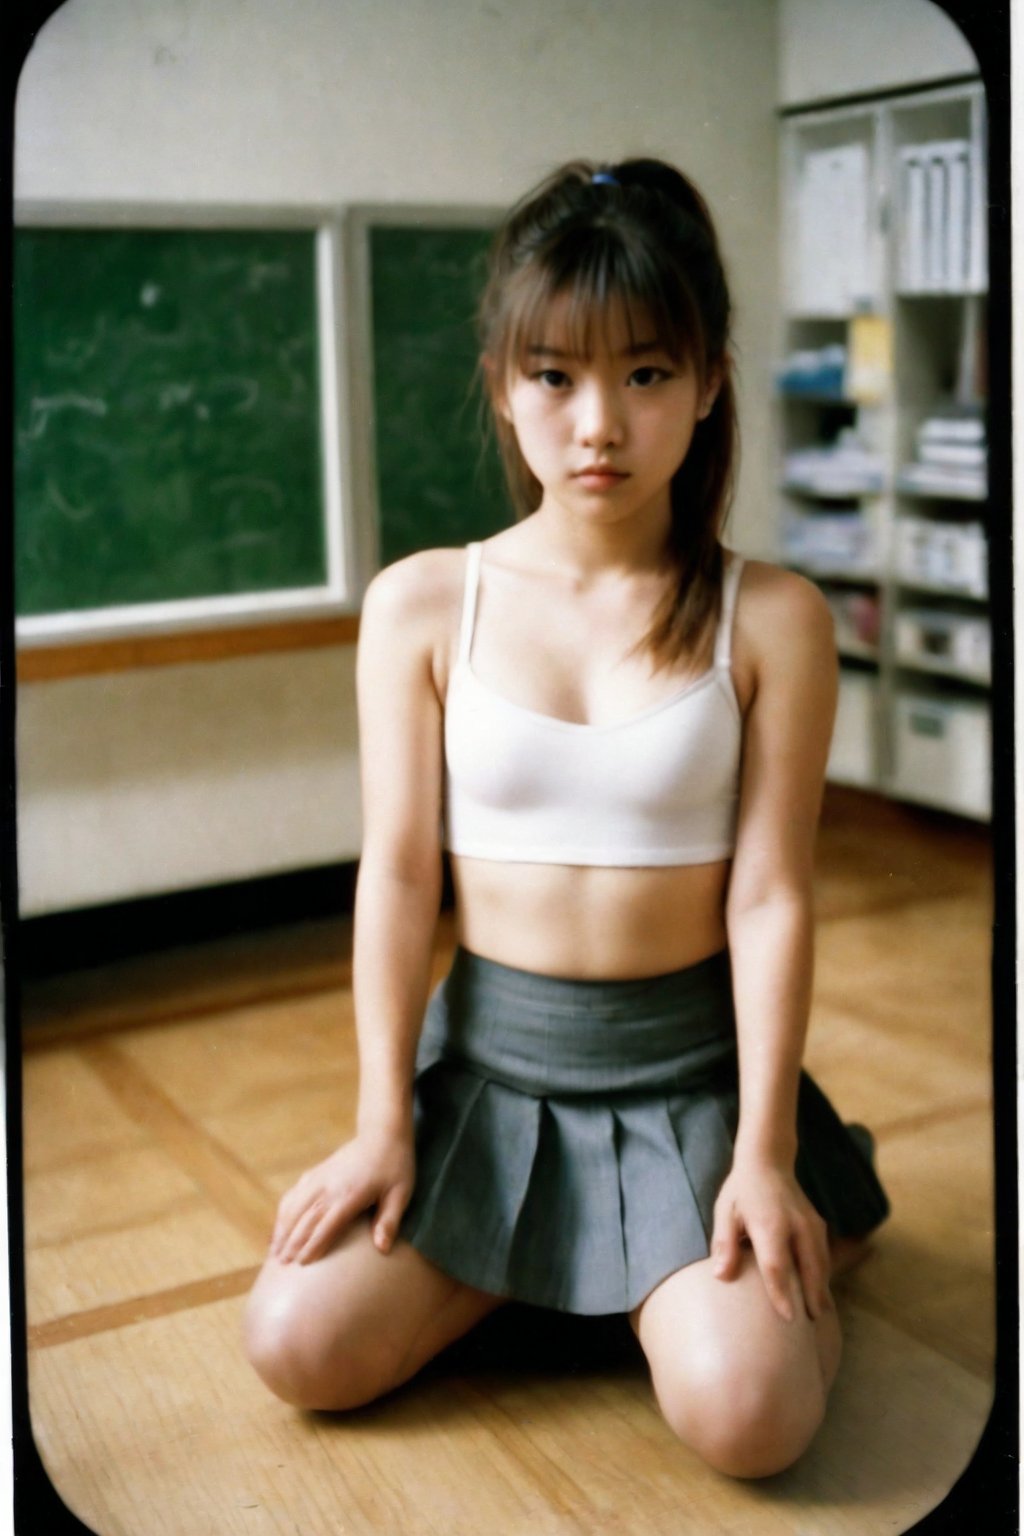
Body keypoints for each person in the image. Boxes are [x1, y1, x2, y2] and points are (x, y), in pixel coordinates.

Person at [243, 157, 889, 1479]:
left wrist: (763, 1153)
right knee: (295, 1346)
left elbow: (772, 897)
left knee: (752, 1421)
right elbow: (401, 877)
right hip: (489, 1084)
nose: (599, 421)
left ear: (709, 383)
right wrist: (382, 1122)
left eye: (646, 374)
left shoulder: (776, 618)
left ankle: (765, 1230)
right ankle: (580, 1274)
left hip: (693, 1086)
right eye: (557, 375)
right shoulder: (423, 603)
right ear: (503, 385)